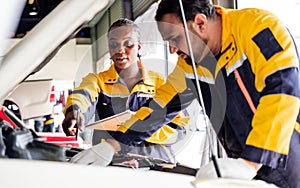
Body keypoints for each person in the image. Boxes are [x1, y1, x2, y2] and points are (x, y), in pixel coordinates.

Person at [89, 0, 299, 187]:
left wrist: (251, 162)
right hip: (242, 164)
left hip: (288, 156)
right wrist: (113, 145)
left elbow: (283, 92)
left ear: (200, 23)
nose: (172, 50)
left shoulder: (258, 28)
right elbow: (158, 108)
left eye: (175, 39)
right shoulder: (190, 63)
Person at [62, 18, 188, 164]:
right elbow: (82, 96)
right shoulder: (98, 81)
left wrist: (137, 130)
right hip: (112, 164)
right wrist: (75, 111)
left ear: (139, 47)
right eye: (114, 44)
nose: (120, 50)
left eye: (128, 44)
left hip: (156, 164)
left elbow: (179, 129)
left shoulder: (162, 84)